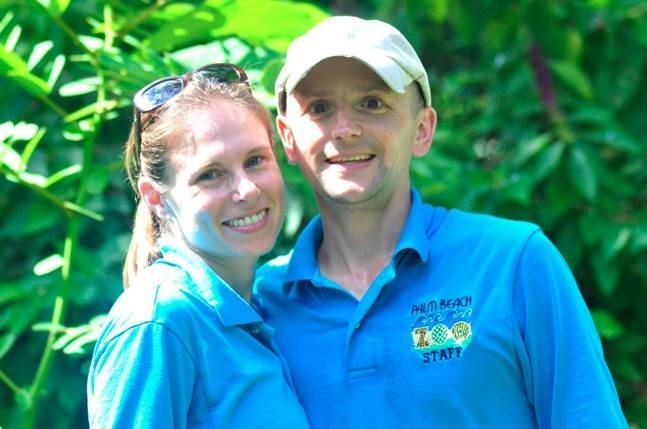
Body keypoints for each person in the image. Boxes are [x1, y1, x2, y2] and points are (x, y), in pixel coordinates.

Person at [254, 16, 628, 428]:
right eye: (320, 108)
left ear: (422, 129)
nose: (345, 129)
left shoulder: (513, 261)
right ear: (288, 138)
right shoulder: (261, 304)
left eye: (373, 103)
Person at [87, 64, 310, 428]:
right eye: (211, 174)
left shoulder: (262, 304)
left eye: (255, 160)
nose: (248, 189)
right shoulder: (158, 322)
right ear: (156, 198)